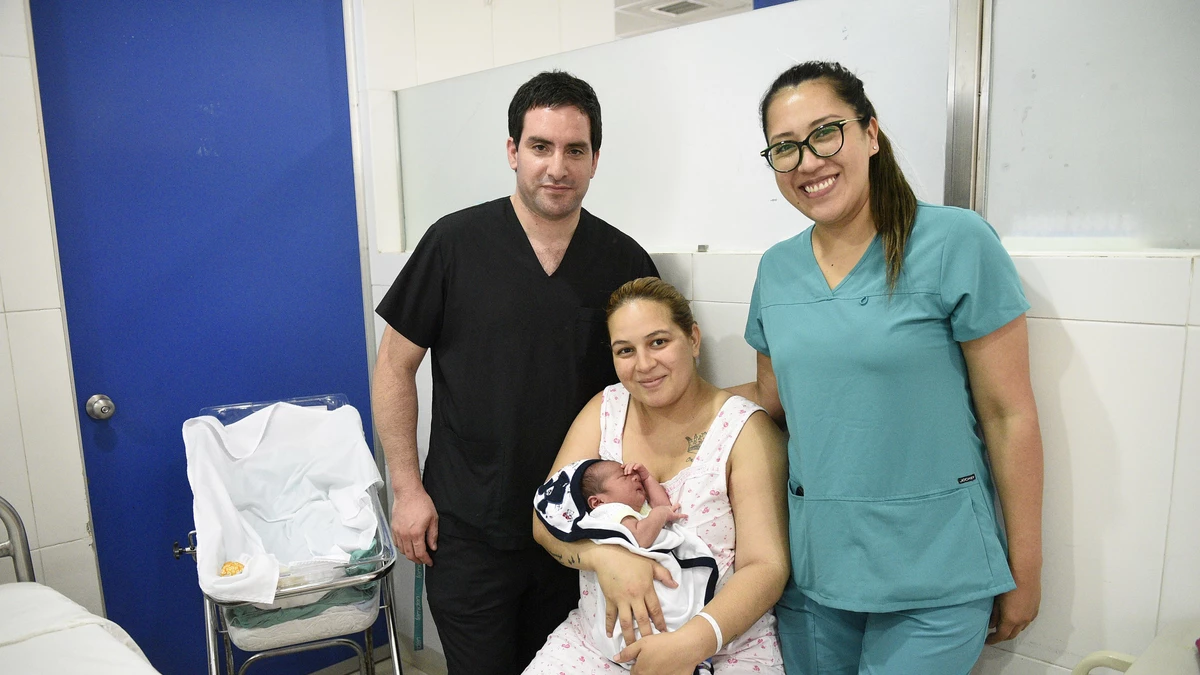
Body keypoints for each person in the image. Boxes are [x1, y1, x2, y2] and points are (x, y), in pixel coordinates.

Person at [732, 61, 1044, 674]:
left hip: (937, 569)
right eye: (785, 147)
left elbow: (1009, 416)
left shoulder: (955, 241)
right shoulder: (777, 269)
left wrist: (1025, 568)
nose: (808, 161)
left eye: (826, 133)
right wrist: (656, 402)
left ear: (870, 133)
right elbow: (774, 401)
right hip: (816, 574)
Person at [372, 70, 658, 675]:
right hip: (468, 531)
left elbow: (650, 389)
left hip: (578, 530)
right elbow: (394, 366)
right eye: (540, 147)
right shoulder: (454, 244)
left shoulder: (624, 261)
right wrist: (407, 490)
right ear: (513, 151)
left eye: (575, 150)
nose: (557, 167)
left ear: (595, 159)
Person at [525, 277, 789, 675]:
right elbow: (544, 520)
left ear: (693, 340)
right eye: (625, 350)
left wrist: (692, 642)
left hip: (721, 648)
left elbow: (766, 566)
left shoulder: (743, 430)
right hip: (600, 644)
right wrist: (604, 558)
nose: (644, 364)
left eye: (659, 342)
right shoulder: (605, 411)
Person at [581, 460, 686, 548]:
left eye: (634, 475)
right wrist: (659, 514)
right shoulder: (611, 510)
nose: (636, 477)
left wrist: (647, 479)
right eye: (624, 477)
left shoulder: (638, 506)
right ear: (598, 502)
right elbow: (639, 538)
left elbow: (666, 508)